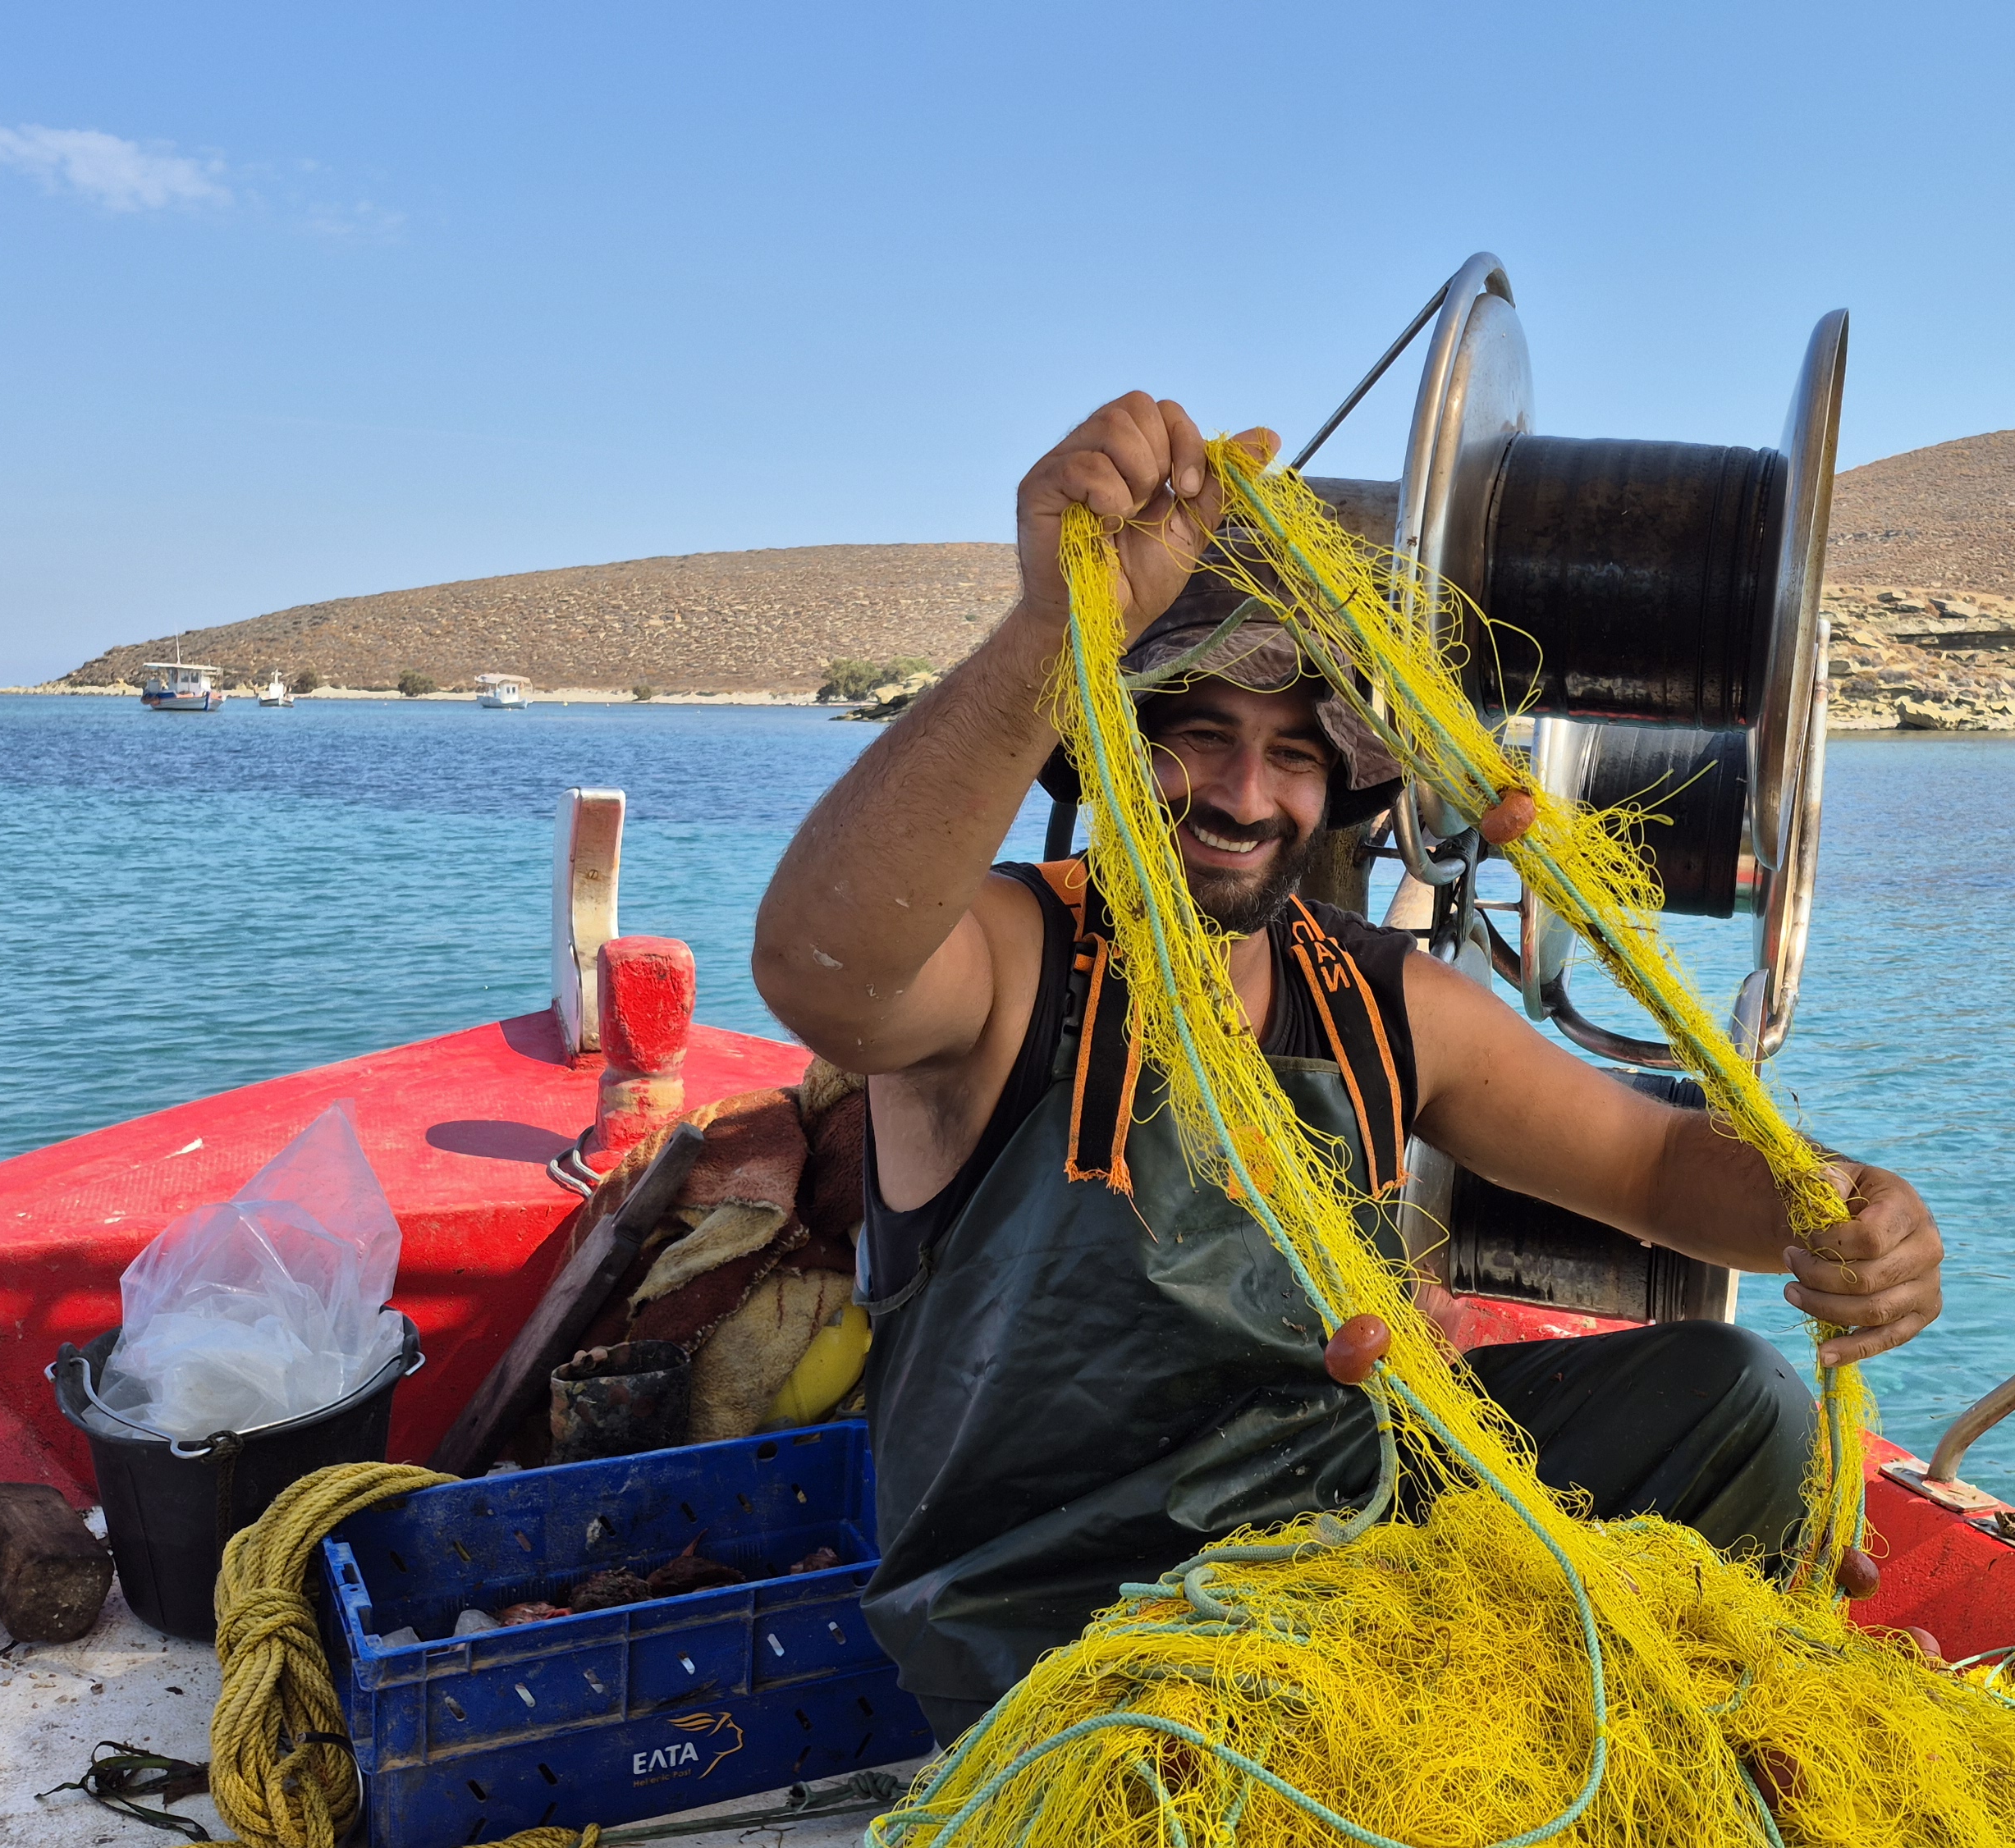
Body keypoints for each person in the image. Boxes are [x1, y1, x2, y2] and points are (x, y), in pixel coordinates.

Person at [753, 393, 1944, 1740]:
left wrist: (1839, 1204)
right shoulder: (1013, 958)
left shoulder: (1375, 996)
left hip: (1343, 1543)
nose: (1247, 797)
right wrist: (1048, 628)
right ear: (1107, 736)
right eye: (1196, 733)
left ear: (1337, 791)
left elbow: (1657, 1163)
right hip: (1066, 1634)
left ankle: (1542, 1741)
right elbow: (820, 965)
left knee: (1738, 1407)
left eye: (1294, 754)